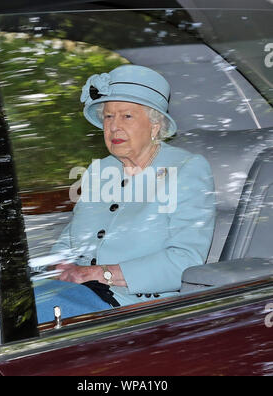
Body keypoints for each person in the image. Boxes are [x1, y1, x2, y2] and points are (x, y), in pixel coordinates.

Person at [34, 65, 216, 323]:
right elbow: (69, 241)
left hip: (132, 308)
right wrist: (57, 265)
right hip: (75, 292)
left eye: (126, 116)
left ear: (155, 125)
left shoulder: (186, 169)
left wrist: (99, 273)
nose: (114, 127)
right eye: (108, 117)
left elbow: (185, 260)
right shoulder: (100, 169)